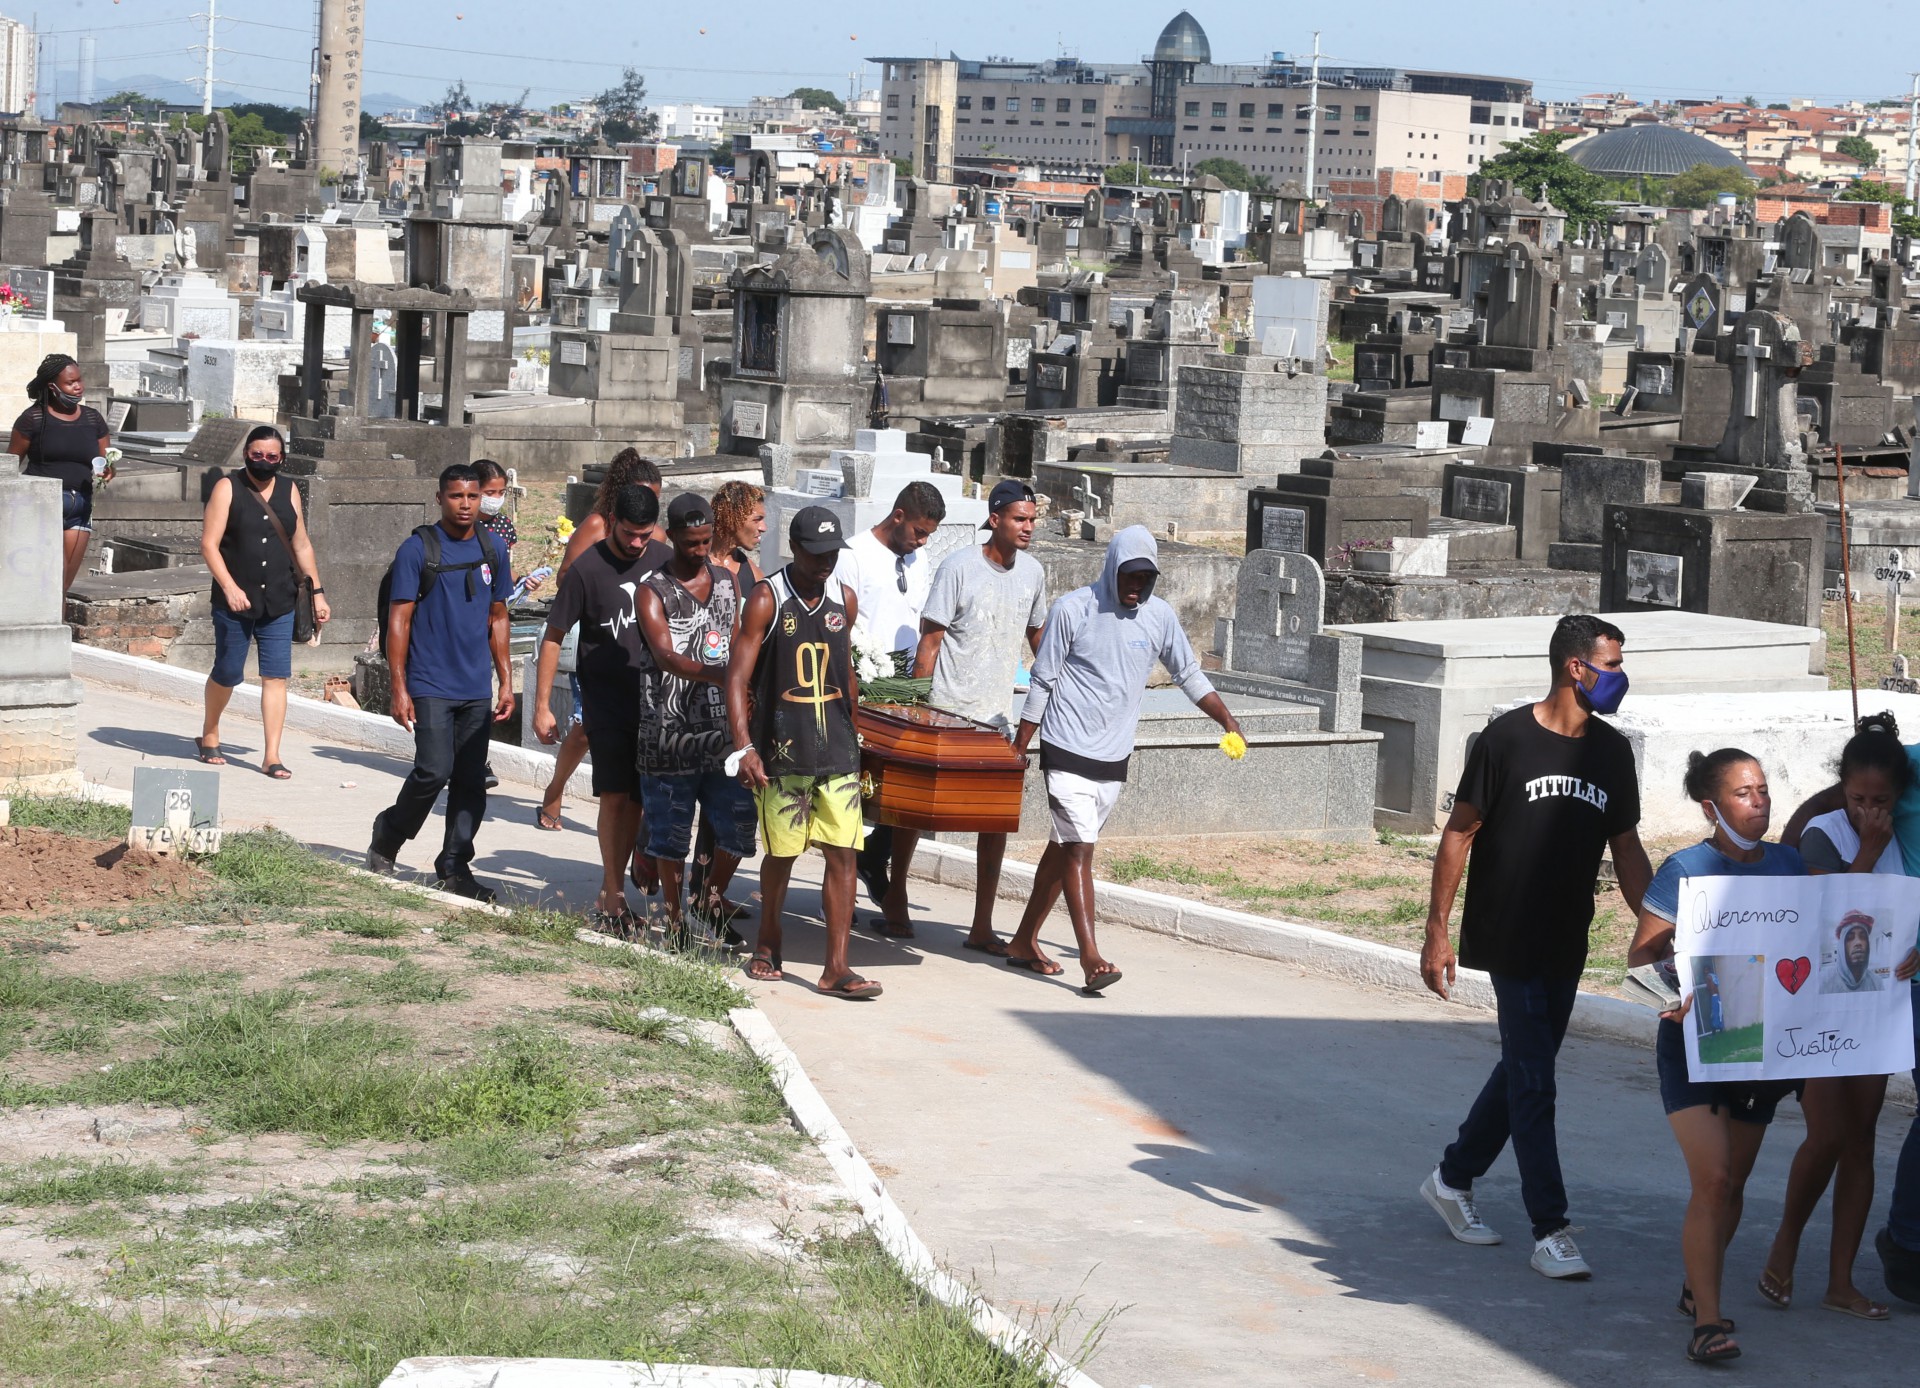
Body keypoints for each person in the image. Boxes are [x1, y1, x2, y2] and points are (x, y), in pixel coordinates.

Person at [1418, 613, 1650, 1281]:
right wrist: (1437, 930)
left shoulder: (1611, 752)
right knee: (1536, 1081)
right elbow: (1459, 832)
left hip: (1566, 936)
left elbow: (1627, 848)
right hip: (1508, 932)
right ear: (1577, 667)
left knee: (1526, 1067)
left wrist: (1659, 927)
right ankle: (1550, 1228)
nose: (1621, 676)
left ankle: (1452, 1177)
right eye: (1612, 664)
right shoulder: (1507, 740)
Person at [1004, 526, 1241, 992]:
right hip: (1066, 745)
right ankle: (1091, 956)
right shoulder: (1073, 609)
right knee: (1080, 849)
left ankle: (1023, 940)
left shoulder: (1159, 617)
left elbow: (1188, 674)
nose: (1137, 586)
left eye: (1146, 578)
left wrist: (1227, 720)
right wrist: (1020, 745)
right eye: (1130, 576)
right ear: (1112, 568)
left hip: (1113, 756)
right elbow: (1044, 679)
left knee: (1065, 847)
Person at [1627, 748, 1806, 1365]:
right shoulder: (1685, 869)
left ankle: (1693, 1287)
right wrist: (1679, 998)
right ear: (1711, 807)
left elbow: (1821, 943)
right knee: (1715, 1178)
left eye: (1763, 790)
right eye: (1743, 793)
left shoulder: (1790, 865)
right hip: (1694, 1046)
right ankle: (1707, 1322)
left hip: (1760, 1048)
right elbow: (1641, 961)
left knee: (1735, 1185)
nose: (1759, 802)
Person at [1765, 716, 1920, 1320]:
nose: (1868, 811)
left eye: (1881, 802)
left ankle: (1841, 1282)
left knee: (1860, 1141)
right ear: (1842, 789)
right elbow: (1825, 914)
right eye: (1858, 799)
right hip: (1818, 1007)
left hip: (1875, 1009)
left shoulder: (1902, 842)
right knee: (1826, 1134)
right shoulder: (1823, 834)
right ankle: (1784, 1244)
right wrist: (1870, 850)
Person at [873, 478, 1048, 952]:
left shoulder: (1033, 573)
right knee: (912, 812)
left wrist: (1060, 679)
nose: (1028, 527)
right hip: (946, 713)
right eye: (1019, 518)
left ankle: (982, 925)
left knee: (995, 822)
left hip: (997, 720)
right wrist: (916, 710)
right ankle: (895, 894)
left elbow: (1039, 638)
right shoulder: (959, 567)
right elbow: (929, 643)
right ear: (995, 519)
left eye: (1032, 520)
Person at [728, 505, 881, 1001]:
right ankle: (768, 942)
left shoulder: (844, 599)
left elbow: (846, 672)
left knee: (844, 854)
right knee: (782, 853)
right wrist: (744, 746)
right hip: (782, 754)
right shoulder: (766, 598)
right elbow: (737, 676)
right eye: (815, 553)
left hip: (837, 752)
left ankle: (836, 967)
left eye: (832, 553)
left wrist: (859, 739)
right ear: (793, 548)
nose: (825, 562)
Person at [367, 464, 515, 901]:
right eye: (456, 496)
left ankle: (454, 866)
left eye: (472, 496)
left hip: (475, 686)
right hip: (429, 681)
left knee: (471, 780)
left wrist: (506, 681)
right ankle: (389, 834)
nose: (465, 504)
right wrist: (398, 687)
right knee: (433, 770)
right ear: (439, 498)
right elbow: (399, 621)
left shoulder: (493, 548)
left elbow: (498, 616)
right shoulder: (418, 549)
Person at [532, 485, 666, 934]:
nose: (637, 543)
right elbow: (553, 636)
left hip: (653, 703)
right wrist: (542, 706)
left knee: (637, 801)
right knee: (613, 795)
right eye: (629, 534)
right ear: (611, 523)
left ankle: (615, 888)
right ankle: (612, 896)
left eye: (645, 534)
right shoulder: (586, 570)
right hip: (605, 702)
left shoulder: (663, 559)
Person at [636, 493, 754, 947]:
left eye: (706, 541)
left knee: (739, 825)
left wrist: (746, 686)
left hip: (723, 735)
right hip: (669, 733)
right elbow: (665, 655)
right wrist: (723, 675)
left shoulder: (727, 581)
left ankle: (709, 897)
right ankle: (675, 920)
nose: (700, 550)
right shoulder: (652, 590)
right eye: (690, 543)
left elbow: (739, 637)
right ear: (672, 537)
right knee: (671, 836)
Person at [535, 450, 667, 833]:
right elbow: (566, 579)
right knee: (583, 729)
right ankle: (555, 789)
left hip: (643, 677)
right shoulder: (595, 528)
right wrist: (598, 587)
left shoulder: (658, 544)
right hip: (594, 647)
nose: (638, 539)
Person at [834, 480, 947, 924]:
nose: (922, 542)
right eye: (919, 531)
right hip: (862, 687)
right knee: (851, 792)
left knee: (902, 789)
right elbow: (841, 624)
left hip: (905, 689)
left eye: (929, 535)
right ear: (898, 516)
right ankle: (839, 893)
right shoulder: (853, 555)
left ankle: (874, 856)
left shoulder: (919, 558)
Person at [195, 425, 329, 778]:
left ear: (281, 458)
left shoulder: (289, 489)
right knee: (228, 672)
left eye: (272, 456)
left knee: (276, 677)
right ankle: (210, 731)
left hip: (280, 600)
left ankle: (272, 755)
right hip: (235, 601)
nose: (264, 461)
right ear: (246, 455)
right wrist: (229, 587)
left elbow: (301, 544)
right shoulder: (227, 488)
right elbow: (209, 544)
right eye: (257, 455)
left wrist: (317, 593)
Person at [11, 352, 111, 592]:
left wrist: (107, 472)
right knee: (50, 580)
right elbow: (10, 465)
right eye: (70, 382)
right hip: (42, 506)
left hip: (80, 508)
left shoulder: (93, 419)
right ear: (52, 387)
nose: (78, 386)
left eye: (79, 380)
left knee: (62, 587)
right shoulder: (33, 419)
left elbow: (106, 462)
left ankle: (62, 617)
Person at [710, 480, 767, 589]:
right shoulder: (691, 567)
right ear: (732, 518)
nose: (763, 528)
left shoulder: (755, 577)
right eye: (757, 519)